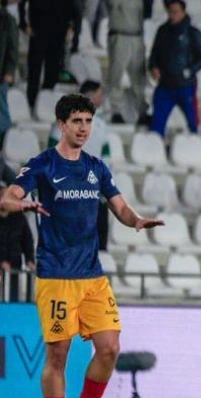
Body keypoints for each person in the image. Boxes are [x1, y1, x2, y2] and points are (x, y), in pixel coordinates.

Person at [0, 93, 164, 398]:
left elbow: (120, 207)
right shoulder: (43, 164)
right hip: (56, 276)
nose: (83, 128)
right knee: (57, 355)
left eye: (88, 121)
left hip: (92, 276)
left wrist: (137, 221)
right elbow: (6, 197)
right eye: (77, 121)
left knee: (110, 348)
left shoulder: (96, 167)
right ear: (62, 125)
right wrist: (23, 204)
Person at [48, 81, 112, 250]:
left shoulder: (100, 125)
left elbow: (106, 155)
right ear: (90, 96)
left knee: (99, 236)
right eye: (99, 94)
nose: (102, 98)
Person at [148, 0, 201, 137]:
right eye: (170, 12)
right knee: (157, 125)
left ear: (183, 12)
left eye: (176, 12)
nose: (172, 15)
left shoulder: (193, 33)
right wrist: (153, 67)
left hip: (185, 86)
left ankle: (196, 145)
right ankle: (156, 146)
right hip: (165, 85)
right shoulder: (162, 31)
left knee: (193, 124)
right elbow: (154, 54)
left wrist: (189, 71)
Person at [19, 0, 78, 108]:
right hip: (38, 31)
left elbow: (73, 7)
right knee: (34, 71)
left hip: (58, 31)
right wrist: (23, 24)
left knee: (52, 71)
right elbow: (21, 3)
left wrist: (72, 27)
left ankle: (44, 102)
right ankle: (31, 103)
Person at [106, 0, 153, 125]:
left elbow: (147, 13)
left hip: (138, 35)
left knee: (139, 76)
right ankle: (115, 111)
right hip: (119, 33)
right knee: (116, 76)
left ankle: (142, 111)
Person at [0, 182, 36, 302]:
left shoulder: (18, 217)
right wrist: (1, 262)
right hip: (3, 269)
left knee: (13, 297)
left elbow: (27, 240)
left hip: (14, 268)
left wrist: (30, 260)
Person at [0, 0, 18, 147]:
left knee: (2, 109)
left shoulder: (7, 19)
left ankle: (6, 142)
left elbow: (13, 47)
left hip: (1, 73)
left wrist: (9, 70)